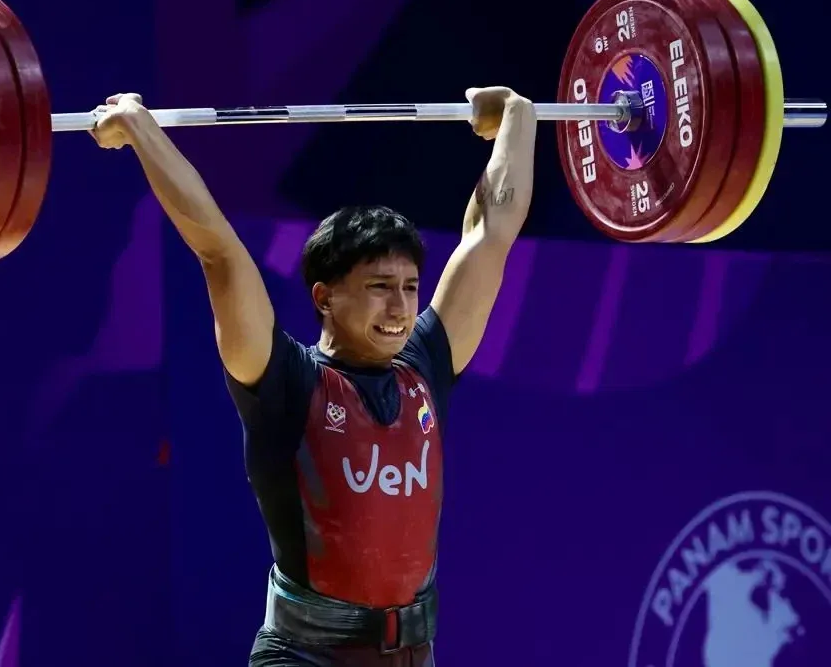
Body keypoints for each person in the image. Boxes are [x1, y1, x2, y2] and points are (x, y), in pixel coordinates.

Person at [92, 86, 537, 666]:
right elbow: (219, 251)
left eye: (408, 288)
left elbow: (491, 233)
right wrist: (140, 129)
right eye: (380, 288)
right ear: (325, 297)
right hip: (306, 656)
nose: (401, 309)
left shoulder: (425, 366)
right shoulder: (284, 382)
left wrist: (518, 119)